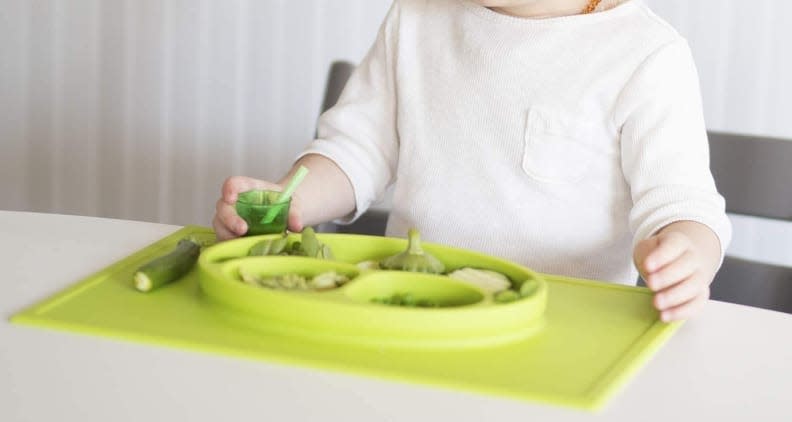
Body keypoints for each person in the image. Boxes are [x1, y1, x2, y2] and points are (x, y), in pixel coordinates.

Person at [213, 0, 732, 323]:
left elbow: (681, 203)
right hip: (408, 306)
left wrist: (688, 252)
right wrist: (290, 200)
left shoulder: (646, 55)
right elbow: (356, 149)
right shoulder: (416, 16)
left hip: (560, 328)